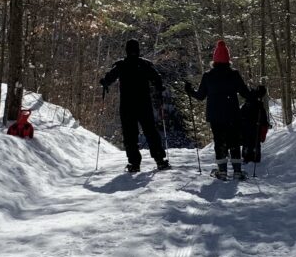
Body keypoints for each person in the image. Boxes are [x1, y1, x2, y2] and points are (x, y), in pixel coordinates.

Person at [184, 40, 254, 180]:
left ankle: (222, 171)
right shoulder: (234, 75)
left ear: (214, 59)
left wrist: (189, 90)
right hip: (233, 114)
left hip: (215, 116)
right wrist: (258, 93)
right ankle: (237, 171)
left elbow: (200, 96)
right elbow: (246, 94)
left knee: (219, 142)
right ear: (228, 59)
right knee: (234, 142)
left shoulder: (208, 76)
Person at [101, 39, 171, 172]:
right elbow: (157, 78)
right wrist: (159, 87)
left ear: (127, 50)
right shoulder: (144, 64)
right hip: (144, 103)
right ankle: (160, 160)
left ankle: (134, 163)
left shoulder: (121, 65)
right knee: (150, 131)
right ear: (138, 50)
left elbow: (109, 78)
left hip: (127, 105)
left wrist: (105, 83)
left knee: (130, 134)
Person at [240, 85, 270, 164]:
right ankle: (254, 157)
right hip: (255, 125)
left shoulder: (249, 99)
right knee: (255, 140)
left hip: (245, 125)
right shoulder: (258, 103)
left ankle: (246, 156)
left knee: (247, 140)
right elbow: (262, 116)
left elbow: (241, 113)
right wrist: (265, 123)